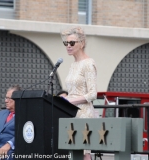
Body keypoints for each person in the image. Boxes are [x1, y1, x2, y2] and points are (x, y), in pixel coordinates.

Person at [61, 26, 97, 160]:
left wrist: (70, 101)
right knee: (72, 153)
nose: (68, 46)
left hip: (83, 114)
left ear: (81, 44)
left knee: (84, 154)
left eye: (72, 43)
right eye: (66, 43)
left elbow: (93, 94)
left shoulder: (88, 63)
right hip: (71, 113)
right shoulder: (72, 65)